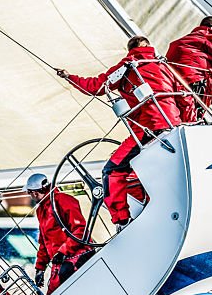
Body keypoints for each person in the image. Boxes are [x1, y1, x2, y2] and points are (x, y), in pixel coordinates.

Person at [57, 35, 182, 228]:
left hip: (147, 128)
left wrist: (69, 77)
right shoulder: (164, 65)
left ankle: (121, 220)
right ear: (149, 46)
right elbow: (183, 96)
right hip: (174, 124)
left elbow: (95, 87)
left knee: (112, 170)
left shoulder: (129, 64)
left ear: (130, 50)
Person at [27, 173, 92, 295]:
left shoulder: (64, 200)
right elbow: (44, 241)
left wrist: (63, 251)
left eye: (29, 192)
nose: (30, 196)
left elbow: (80, 230)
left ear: (35, 192)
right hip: (61, 261)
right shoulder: (41, 210)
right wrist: (40, 268)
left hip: (75, 257)